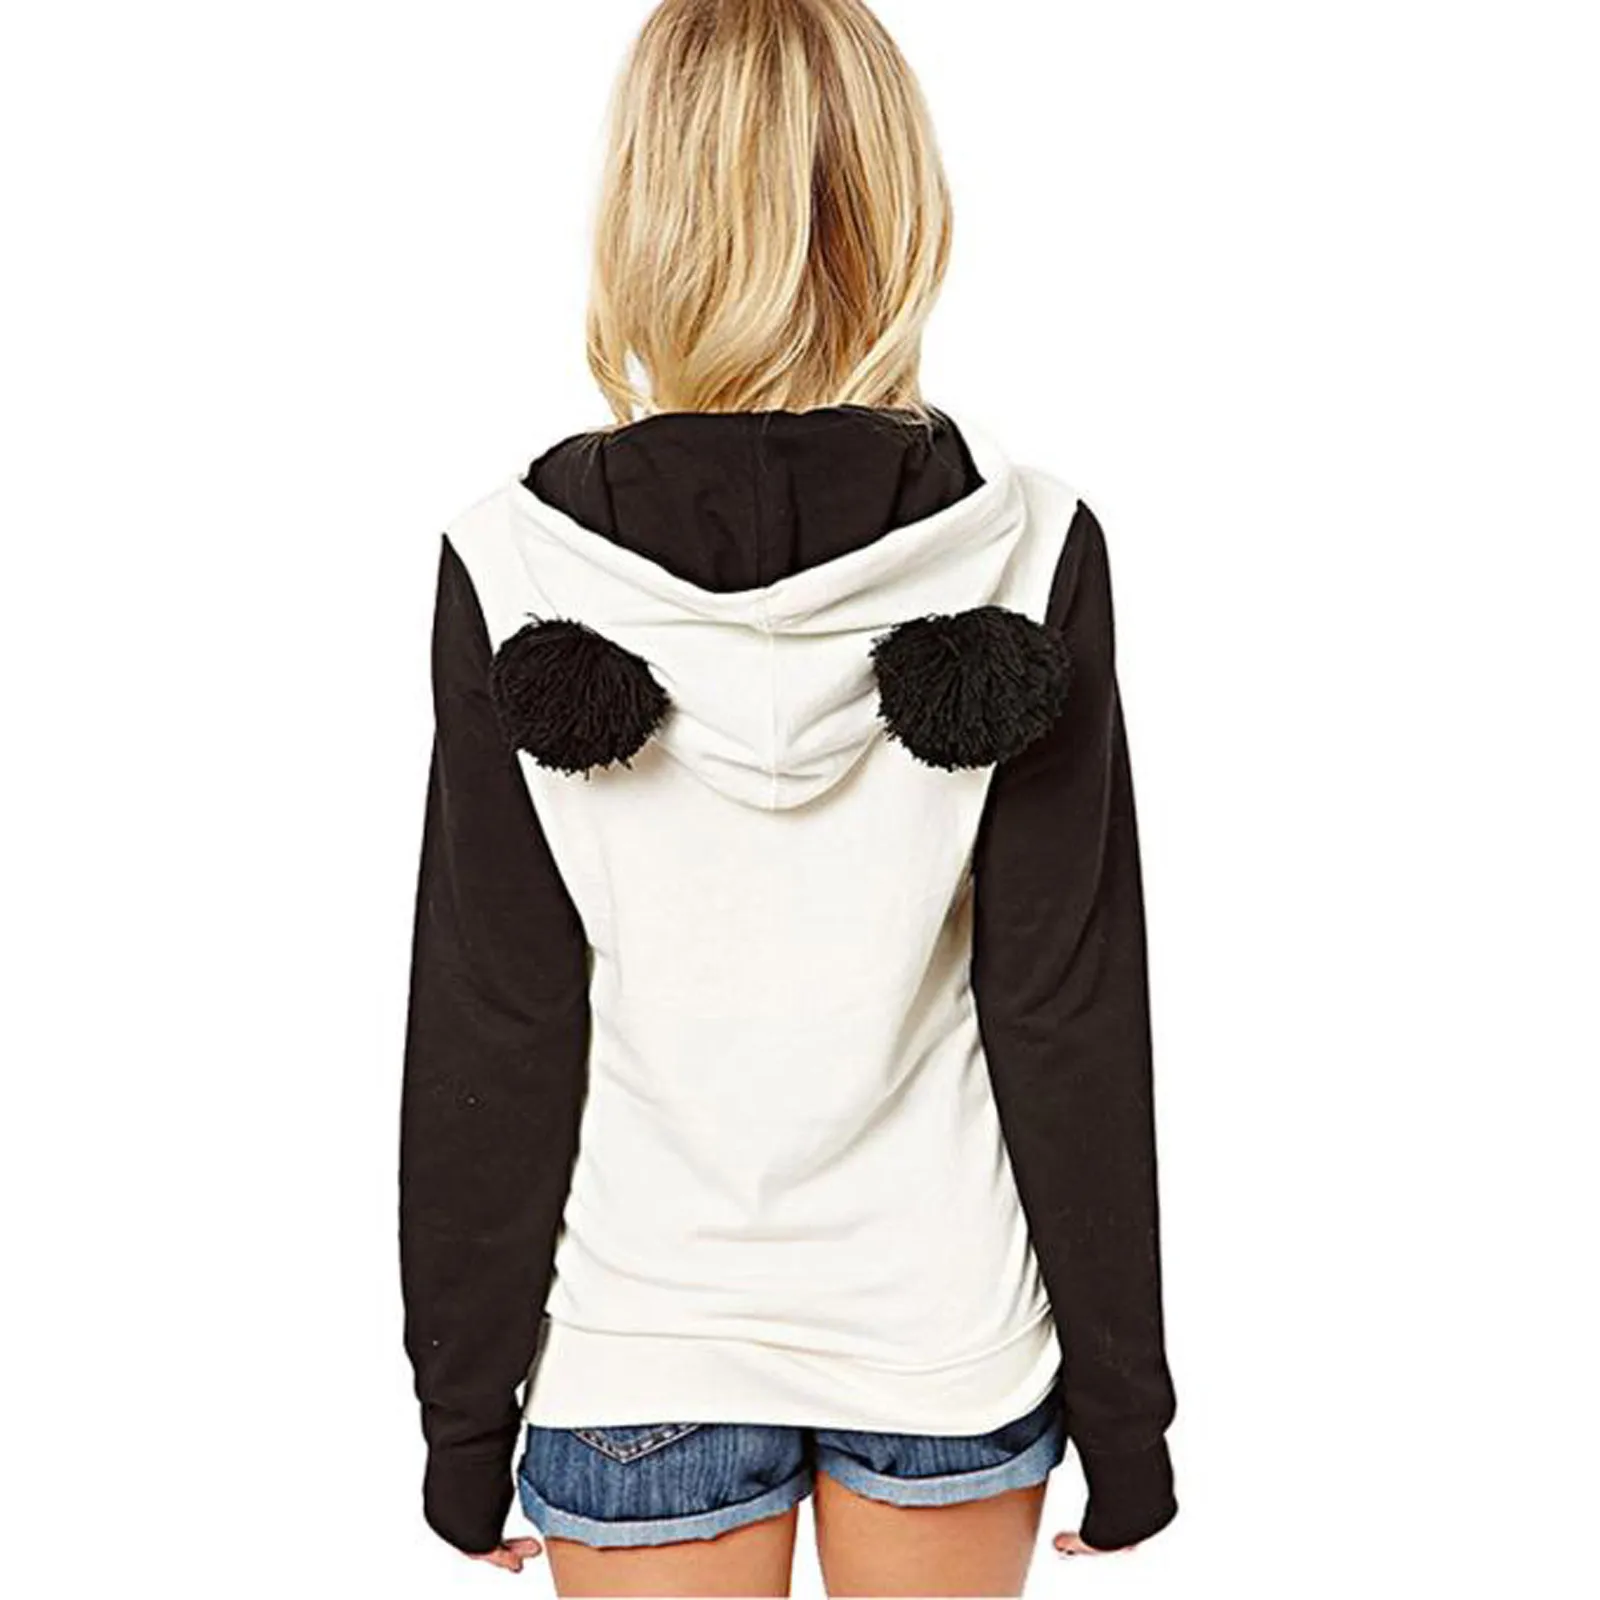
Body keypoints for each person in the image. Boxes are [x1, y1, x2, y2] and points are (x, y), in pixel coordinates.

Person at [397, 1, 1179, 1593]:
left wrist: (462, 1421)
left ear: (644, 205)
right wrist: (1126, 1408)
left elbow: (496, 1016)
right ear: (897, 203)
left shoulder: (515, 562)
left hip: (642, 1337)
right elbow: (1064, 1006)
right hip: (943, 1336)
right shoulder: (1026, 549)